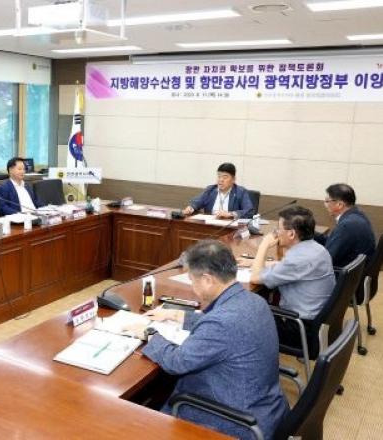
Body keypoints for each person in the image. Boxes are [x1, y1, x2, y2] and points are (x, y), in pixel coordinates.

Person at [134, 240, 288, 439]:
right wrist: (177, 315)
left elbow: (177, 362)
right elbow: (225, 325)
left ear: (207, 279)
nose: (192, 287)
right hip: (265, 407)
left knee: (139, 417)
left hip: (234, 421)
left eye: (192, 280)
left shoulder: (221, 323)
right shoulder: (255, 301)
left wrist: (149, 333)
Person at [250, 206, 336, 351]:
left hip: (299, 329)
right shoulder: (317, 249)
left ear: (291, 234)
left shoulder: (296, 261)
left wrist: (263, 245)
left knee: (245, 312)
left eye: (278, 229)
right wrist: (254, 262)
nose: (276, 233)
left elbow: (254, 277)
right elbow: (287, 266)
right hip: (317, 321)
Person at [315, 183, 376, 268]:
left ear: (339, 205)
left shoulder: (347, 226)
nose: (325, 205)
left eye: (327, 201)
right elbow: (334, 241)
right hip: (357, 271)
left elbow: (327, 260)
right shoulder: (357, 215)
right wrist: (309, 233)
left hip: (342, 273)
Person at [182, 162, 255, 219]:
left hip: (229, 228)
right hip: (210, 226)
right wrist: (191, 208)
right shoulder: (210, 190)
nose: (221, 180)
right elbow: (196, 202)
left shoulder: (240, 192)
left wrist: (230, 214)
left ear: (233, 179)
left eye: (225, 177)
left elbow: (249, 211)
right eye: (219, 176)